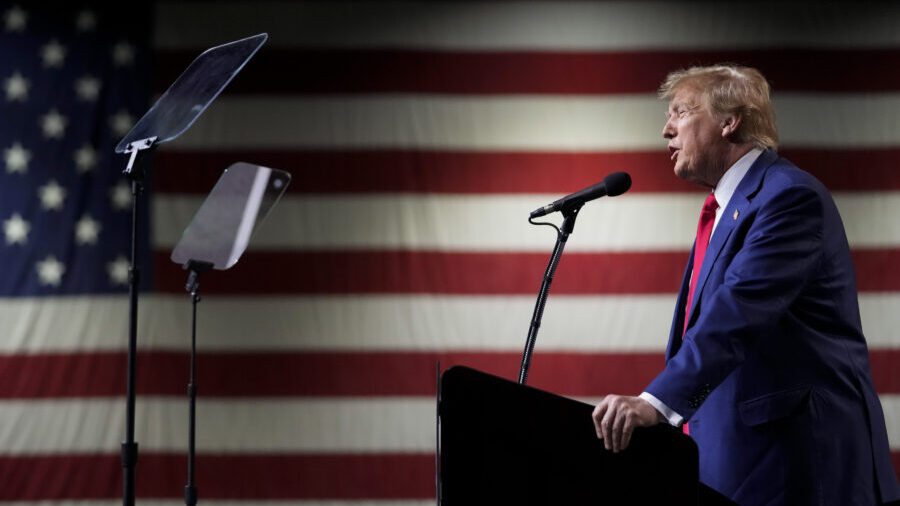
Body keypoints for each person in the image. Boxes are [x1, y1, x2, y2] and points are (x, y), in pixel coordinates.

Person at [591, 65, 900, 505]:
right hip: (739, 466)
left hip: (800, 466)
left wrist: (656, 402)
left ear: (729, 120)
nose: (666, 129)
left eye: (681, 111)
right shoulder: (725, 209)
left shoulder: (789, 198)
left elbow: (736, 311)